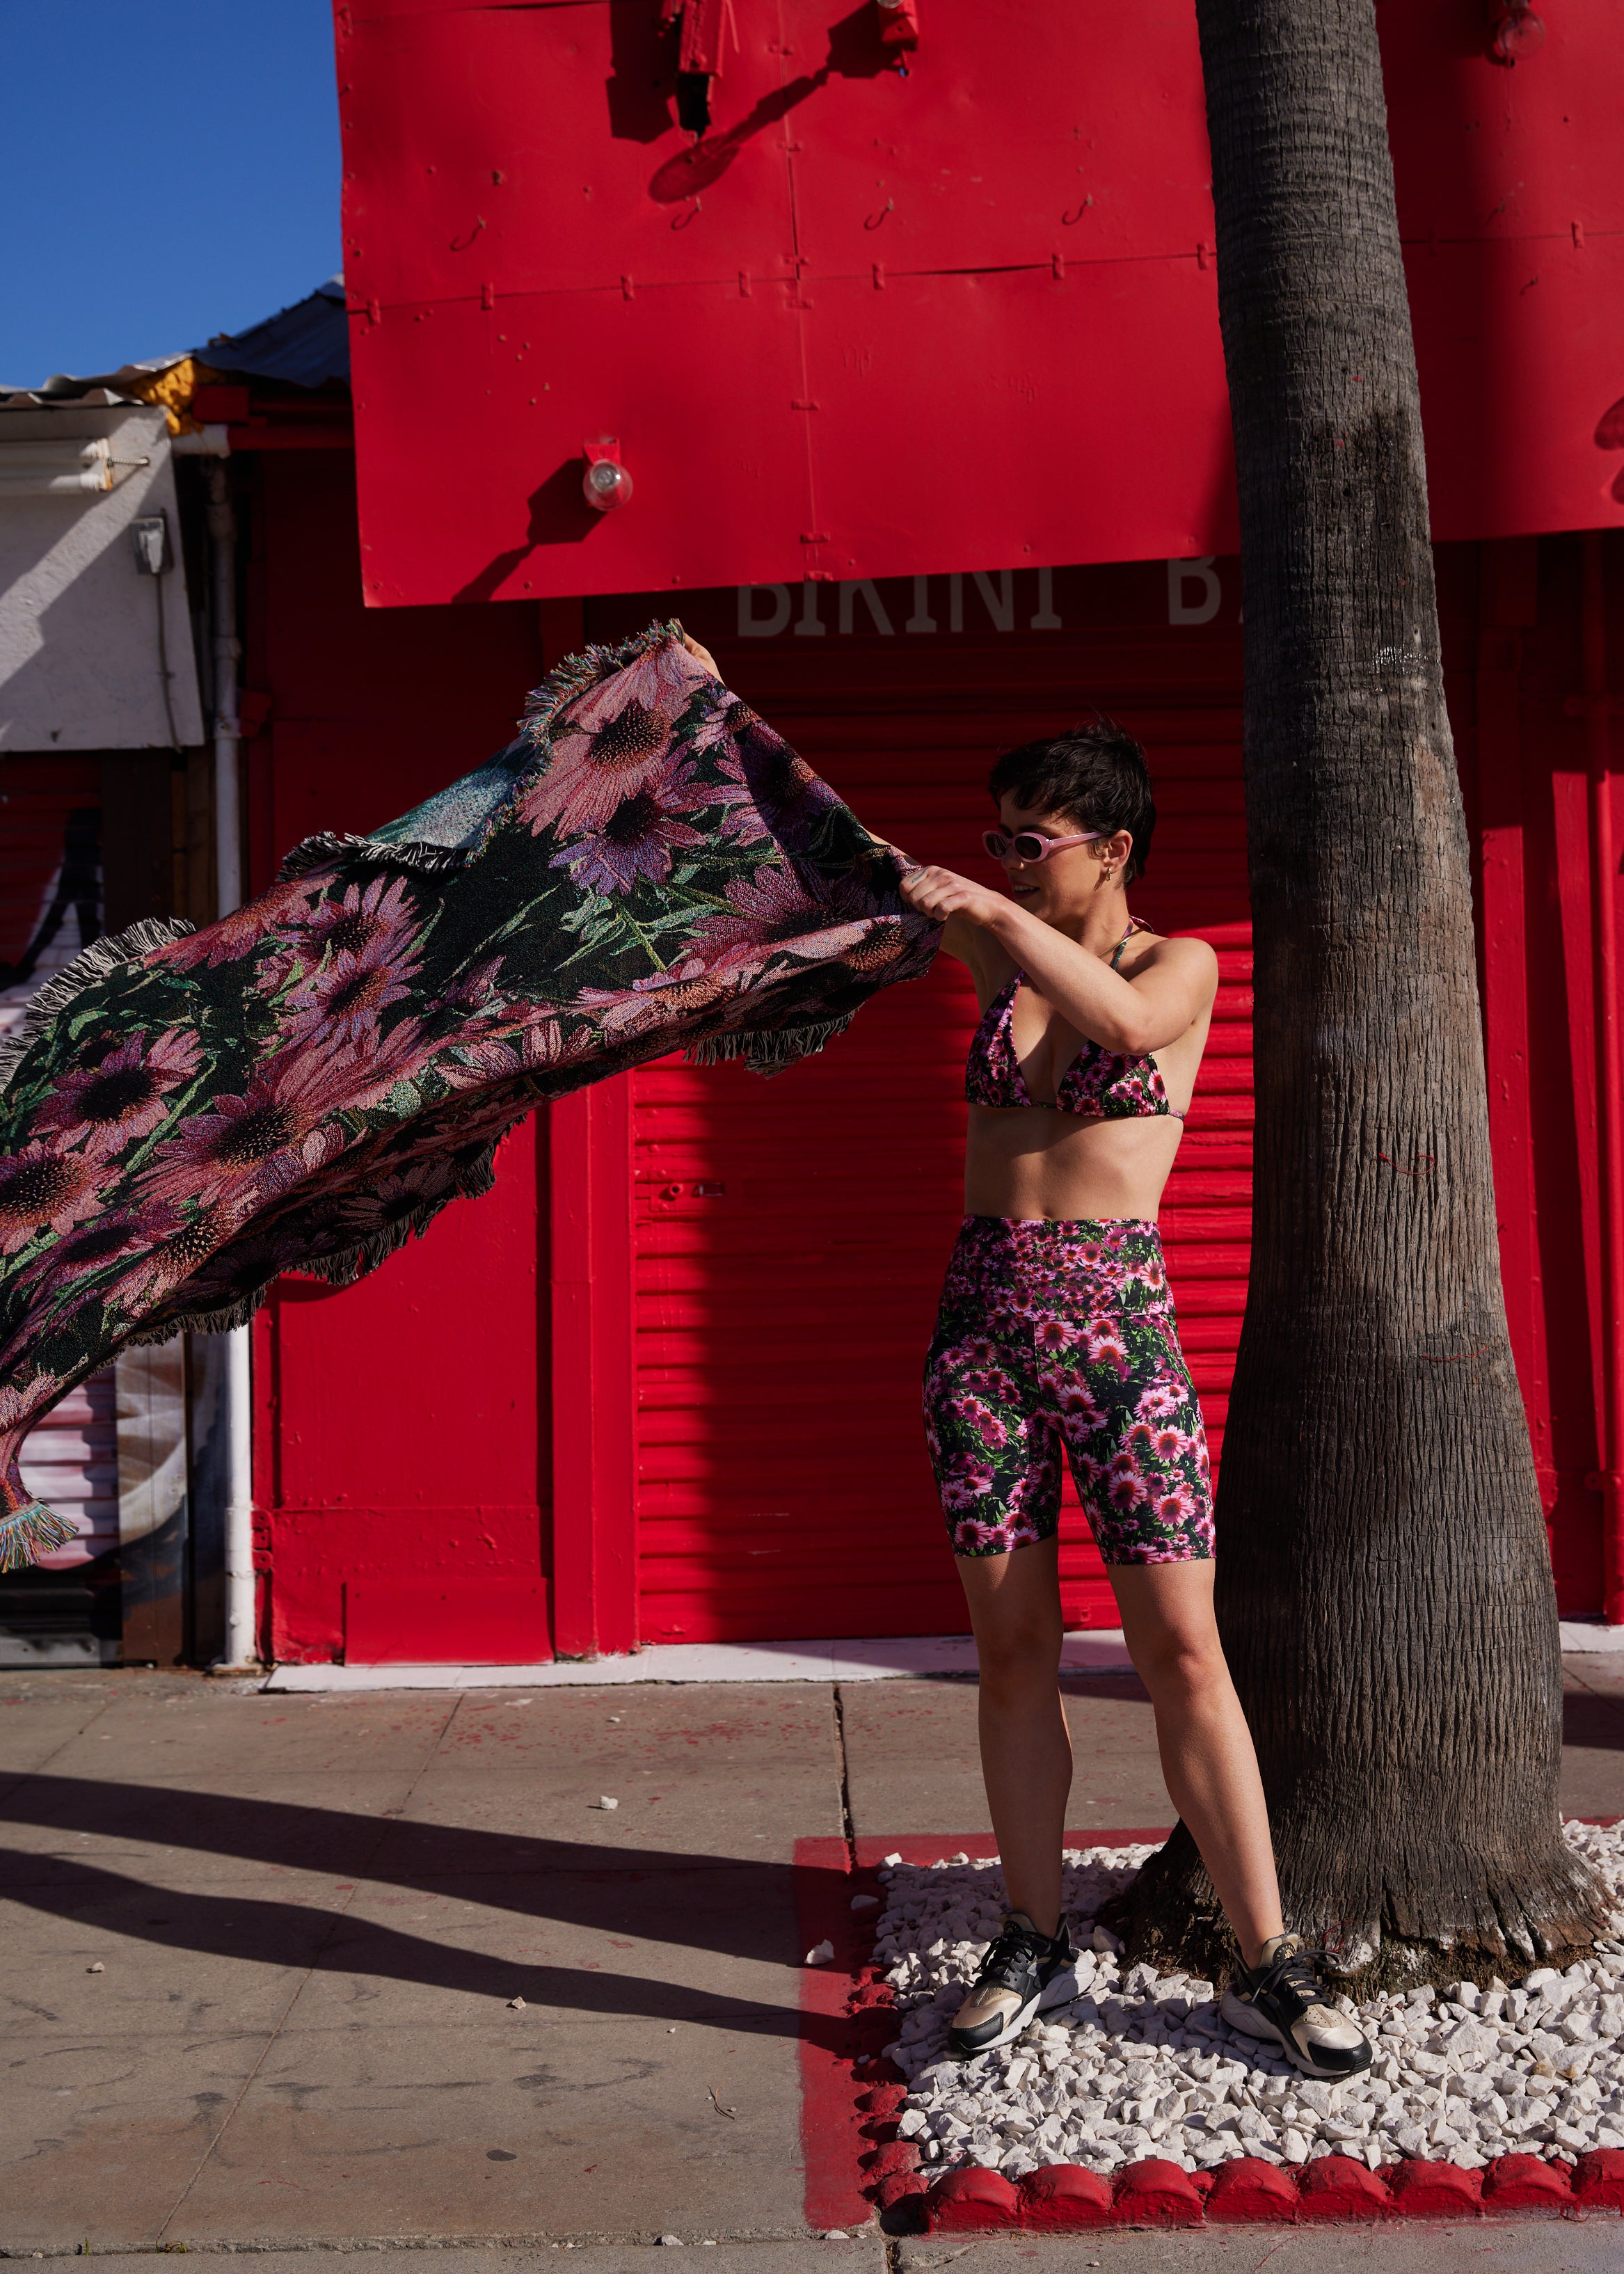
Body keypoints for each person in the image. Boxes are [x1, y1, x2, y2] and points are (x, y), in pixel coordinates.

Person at [895, 720, 1371, 2083]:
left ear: (1113, 847)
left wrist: (986, 905)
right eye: (998, 837)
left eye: (1029, 839)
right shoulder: (997, 953)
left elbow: (1120, 1025)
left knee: (1182, 1649)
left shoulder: (1180, 964)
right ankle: (1032, 1931)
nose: (1006, 861)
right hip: (979, 1330)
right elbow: (850, 876)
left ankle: (1267, 1954)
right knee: (1011, 1651)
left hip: (1117, 1334)